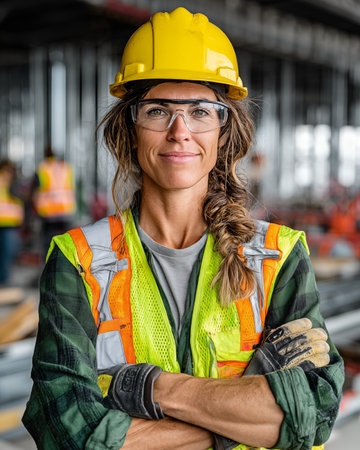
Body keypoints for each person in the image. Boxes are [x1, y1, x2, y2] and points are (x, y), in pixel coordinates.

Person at [23, 7, 344, 450]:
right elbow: (67, 434)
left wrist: (155, 389)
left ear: (223, 132)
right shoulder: (79, 260)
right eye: (157, 111)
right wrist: (243, 417)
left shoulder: (277, 256)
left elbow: (314, 414)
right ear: (129, 129)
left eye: (200, 111)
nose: (179, 131)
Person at [32, 144, 76, 256]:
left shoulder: (42, 168)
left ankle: (49, 265)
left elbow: (34, 190)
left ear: (45, 155)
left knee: (48, 242)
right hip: (65, 210)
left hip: (49, 213)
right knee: (68, 241)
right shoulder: (66, 168)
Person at [0, 159, 24, 284]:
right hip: (5, 223)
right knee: (6, 252)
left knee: (8, 252)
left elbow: (17, 201)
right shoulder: (4, 183)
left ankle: (4, 279)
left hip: (10, 223)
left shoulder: (12, 184)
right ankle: (3, 280)